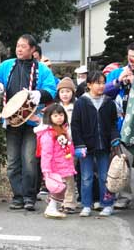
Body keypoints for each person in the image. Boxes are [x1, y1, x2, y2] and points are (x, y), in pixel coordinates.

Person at [0, 34, 56, 211]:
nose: (19, 49)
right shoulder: (7, 65)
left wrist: (39, 94)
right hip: (11, 121)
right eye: (18, 45)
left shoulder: (42, 70)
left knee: (29, 160)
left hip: (32, 122)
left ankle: (29, 196)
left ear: (33, 50)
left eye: (24, 46)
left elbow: (51, 89)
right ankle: (17, 196)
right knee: (13, 162)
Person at [104, 45, 134, 213]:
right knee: (123, 163)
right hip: (122, 126)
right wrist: (117, 82)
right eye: (130, 56)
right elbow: (102, 92)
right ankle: (124, 197)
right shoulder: (118, 72)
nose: (133, 60)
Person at [71, 71, 119, 217]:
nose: (101, 86)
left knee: (105, 177)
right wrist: (79, 145)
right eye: (98, 83)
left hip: (104, 145)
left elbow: (113, 124)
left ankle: (108, 204)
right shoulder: (80, 103)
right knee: (86, 177)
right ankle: (86, 204)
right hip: (85, 146)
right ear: (89, 85)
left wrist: (115, 137)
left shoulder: (109, 102)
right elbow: (75, 125)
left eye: (103, 82)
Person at [35, 103, 77, 219]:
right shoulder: (48, 134)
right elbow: (46, 153)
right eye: (55, 115)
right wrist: (46, 169)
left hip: (65, 163)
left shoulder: (62, 130)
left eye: (61, 115)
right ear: (49, 117)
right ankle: (51, 208)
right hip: (54, 166)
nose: (59, 117)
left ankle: (53, 206)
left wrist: (74, 151)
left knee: (62, 187)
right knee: (58, 187)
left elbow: (68, 146)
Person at [53, 77, 78, 213]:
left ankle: (70, 202)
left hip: (71, 145)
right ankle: (58, 200)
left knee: (68, 174)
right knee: (58, 175)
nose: (65, 94)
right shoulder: (55, 108)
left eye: (68, 91)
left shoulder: (77, 106)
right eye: (62, 91)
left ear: (73, 93)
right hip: (57, 146)